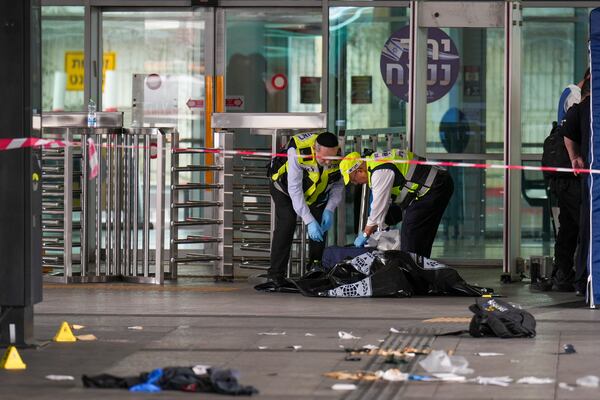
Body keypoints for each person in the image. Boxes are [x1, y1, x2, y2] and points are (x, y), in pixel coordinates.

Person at [339, 149, 453, 258]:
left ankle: (413, 271)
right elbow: (386, 203)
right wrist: (382, 225)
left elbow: (379, 207)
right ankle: (420, 269)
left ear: (359, 171)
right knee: (419, 234)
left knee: (411, 232)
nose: (355, 184)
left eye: (353, 179)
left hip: (435, 186)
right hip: (435, 184)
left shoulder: (379, 172)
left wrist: (365, 234)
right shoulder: (374, 162)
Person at [535, 70, 589, 292]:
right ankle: (572, 275)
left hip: (566, 174)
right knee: (581, 224)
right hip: (570, 174)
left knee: (568, 227)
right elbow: (570, 131)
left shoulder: (573, 94)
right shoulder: (575, 96)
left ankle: (563, 274)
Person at [266, 131, 343, 286]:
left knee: (320, 221)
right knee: (287, 222)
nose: (328, 162)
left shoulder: (339, 154)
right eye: (325, 158)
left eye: (332, 158)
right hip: (284, 188)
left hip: (316, 191)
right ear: (315, 148)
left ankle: (315, 267)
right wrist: (308, 220)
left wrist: (330, 208)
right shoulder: (298, 151)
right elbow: (295, 189)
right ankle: (275, 274)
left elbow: (338, 185)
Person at [561, 76, 591, 296]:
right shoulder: (583, 105)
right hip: (589, 181)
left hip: (588, 180)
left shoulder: (581, 107)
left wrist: (575, 158)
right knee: (583, 229)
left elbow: (567, 133)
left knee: (584, 230)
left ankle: (581, 280)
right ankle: (580, 278)